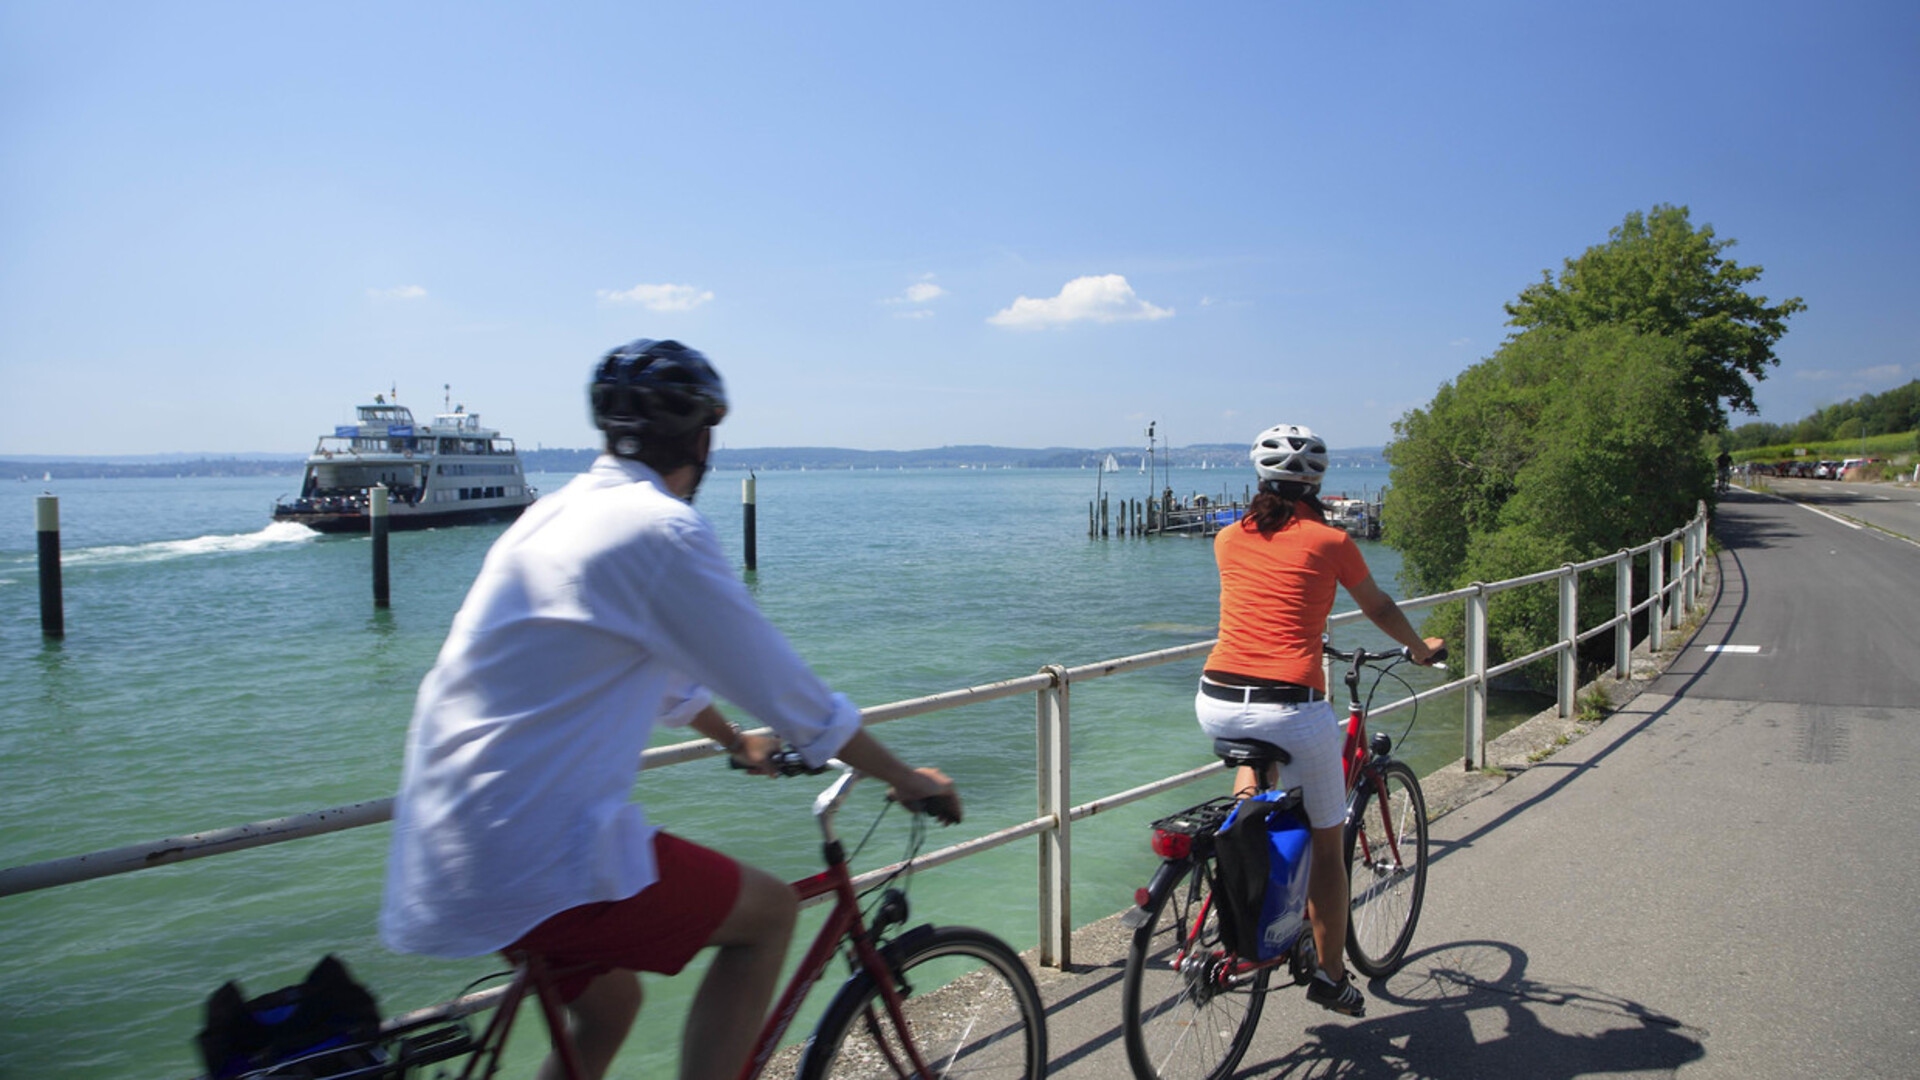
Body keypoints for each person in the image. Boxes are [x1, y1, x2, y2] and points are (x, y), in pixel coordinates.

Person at [380, 339, 960, 1080]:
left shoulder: (551, 515)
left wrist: (732, 741)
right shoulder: (661, 528)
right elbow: (790, 695)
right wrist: (906, 777)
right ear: (702, 438)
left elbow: (647, 671)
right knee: (771, 915)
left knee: (609, 1009)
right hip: (530, 852)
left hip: (445, 841)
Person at [1196, 422, 1442, 1019]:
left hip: (1218, 698)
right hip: (1290, 704)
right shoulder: (1330, 542)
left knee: (1257, 778)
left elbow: (1265, 599)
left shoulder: (1227, 538)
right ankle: (1332, 978)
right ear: (1317, 482)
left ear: (1261, 478)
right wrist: (1417, 649)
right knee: (1330, 849)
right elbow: (1377, 605)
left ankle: (1244, 854)